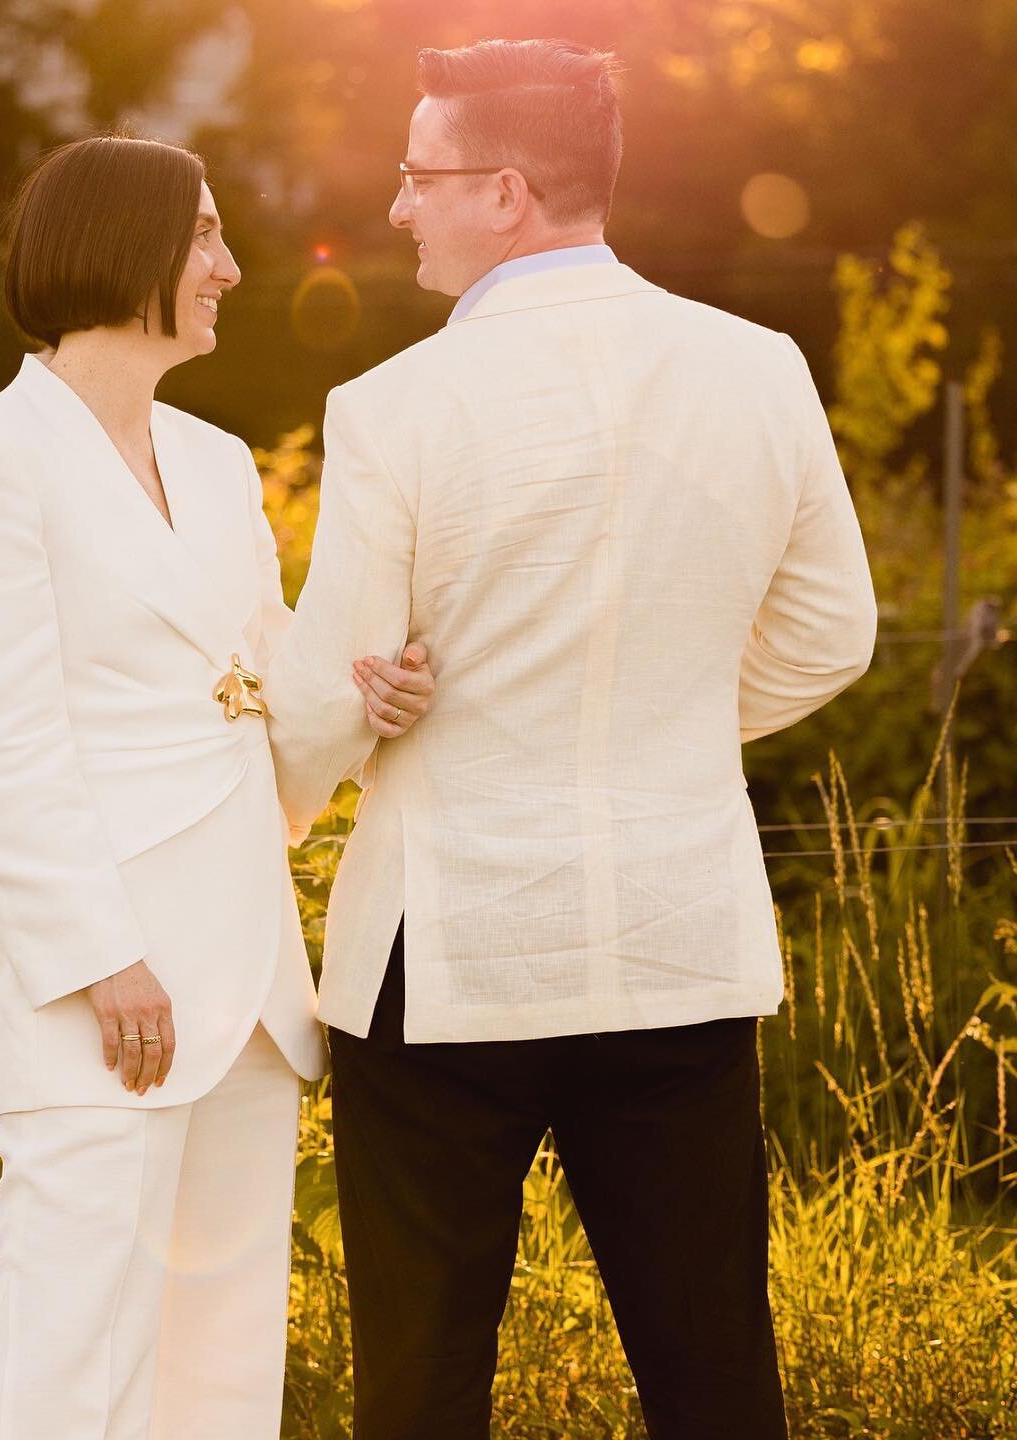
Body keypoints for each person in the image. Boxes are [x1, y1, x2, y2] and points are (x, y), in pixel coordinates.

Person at [263, 37, 878, 1440]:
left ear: (507, 192)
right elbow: (834, 632)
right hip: (676, 941)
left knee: (420, 1386)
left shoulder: (393, 408)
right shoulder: (761, 368)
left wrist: (281, 809)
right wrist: (657, 725)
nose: (400, 204)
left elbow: (325, 691)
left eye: (421, 176)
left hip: (446, 964)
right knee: (714, 1371)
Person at [0, 135, 435, 1440]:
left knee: (219, 1364)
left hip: (250, 981)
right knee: (65, 1354)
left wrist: (358, 701)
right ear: (123, 245)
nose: (232, 266)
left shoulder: (216, 463)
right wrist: (103, 958)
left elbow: (267, 687)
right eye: (204, 234)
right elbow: (3, 743)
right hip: (109, 990)